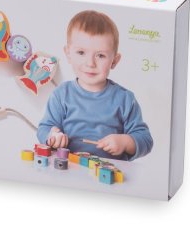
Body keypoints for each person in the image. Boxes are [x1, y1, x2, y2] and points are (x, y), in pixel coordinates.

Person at [36, 10, 153, 161]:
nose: (90, 63)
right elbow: (44, 128)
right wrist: (53, 136)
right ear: (68, 54)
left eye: (100, 55)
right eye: (81, 52)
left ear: (114, 61)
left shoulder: (125, 99)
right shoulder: (61, 95)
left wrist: (125, 142)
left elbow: (145, 140)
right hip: (69, 168)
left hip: (110, 171)